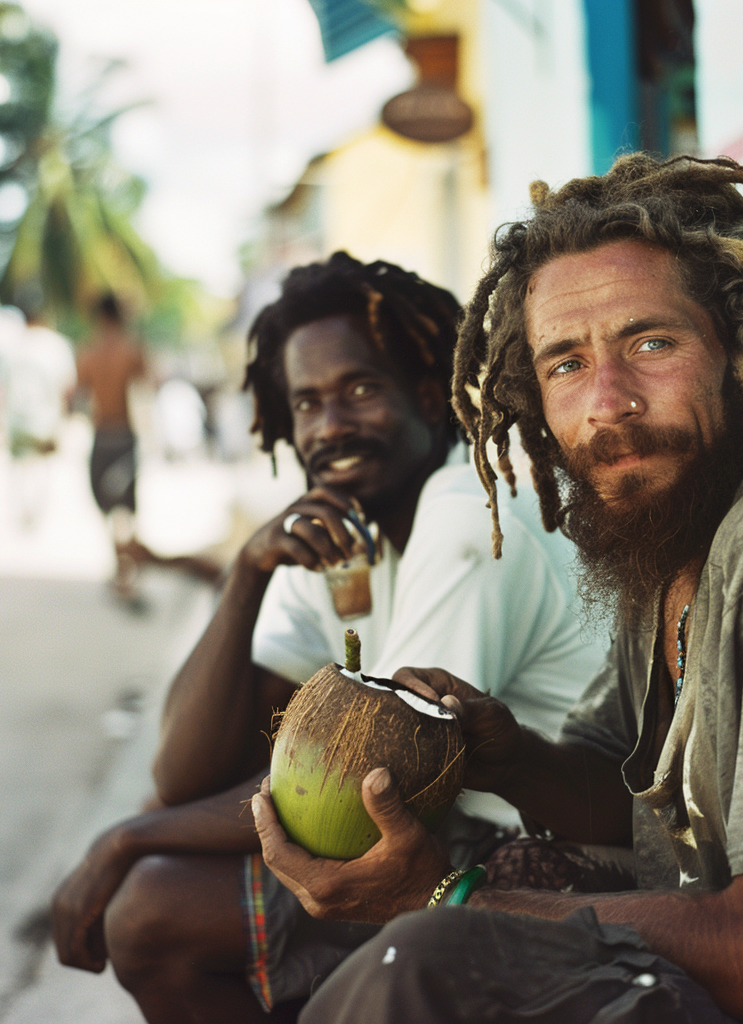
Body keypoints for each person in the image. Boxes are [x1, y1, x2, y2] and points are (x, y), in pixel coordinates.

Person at [250, 157, 743, 1024]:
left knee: (423, 960)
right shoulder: (664, 542)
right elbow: (631, 818)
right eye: (567, 364)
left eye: (652, 343)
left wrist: (448, 896)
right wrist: (511, 756)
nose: (607, 403)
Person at [51, 252, 608, 1022]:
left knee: (154, 910)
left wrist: (123, 841)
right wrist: (248, 572)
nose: (330, 426)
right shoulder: (348, 524)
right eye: (307, 403)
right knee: (160, 883)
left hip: (562, 853)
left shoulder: (473, 510)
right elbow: (187, 771)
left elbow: (359, 785)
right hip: (453, 831)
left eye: (360, 390)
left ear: (426, 392)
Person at [75, 292, 147, 597]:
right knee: (124, 510)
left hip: (101, 435)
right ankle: (125, 568)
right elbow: (146, 392)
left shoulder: (87, 353)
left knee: (108, 507)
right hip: (125, 435)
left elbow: (78, 397)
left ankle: (121, 568)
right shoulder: (132, 350)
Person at [3, 305, 76, 528]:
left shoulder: (13, 345)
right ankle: (36, 510)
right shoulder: (57, 345)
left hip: (15, 421)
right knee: (43, 466)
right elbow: (69, 388)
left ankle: (24, 509)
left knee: (18, 468)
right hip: (45, 421)